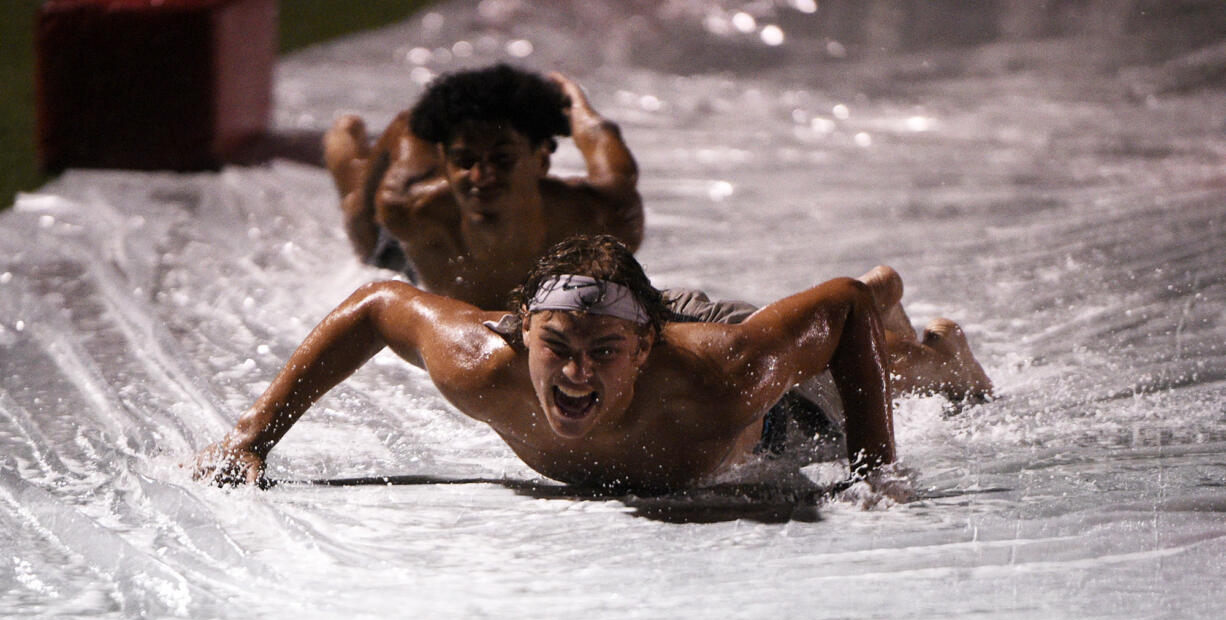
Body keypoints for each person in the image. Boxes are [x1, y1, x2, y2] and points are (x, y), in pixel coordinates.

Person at [194, 235, 991, 494]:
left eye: (601, 356)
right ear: (520, 336)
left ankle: (934, 346)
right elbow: (376, 304)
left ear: (642, 351)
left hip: (732, 356)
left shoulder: (725, 375)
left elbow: (839, 304)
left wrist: (876, 469)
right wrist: (252, 436)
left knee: (891, 371)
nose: (574, 375)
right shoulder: (482, 362)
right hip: (631, 310)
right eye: (557, 351)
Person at [323, 64, 643, 310]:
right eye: (464, 161)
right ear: (444, 163)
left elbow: (605, 146)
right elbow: (409, 129)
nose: (482, 176)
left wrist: (576, 105)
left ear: (541, 160)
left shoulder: (602, 217)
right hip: (412, 212)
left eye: (503, 160)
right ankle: (343, 142)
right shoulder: (409, 210)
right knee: (362, 232)